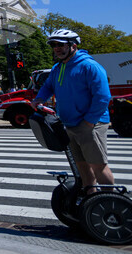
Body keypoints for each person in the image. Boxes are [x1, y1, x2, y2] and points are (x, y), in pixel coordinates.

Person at [33, 28, 114, 190]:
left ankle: (110, 201)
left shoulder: (89, 66)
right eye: (54, 45)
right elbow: (48, 86)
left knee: (98, 165)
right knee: (81, 165)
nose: (57, 48)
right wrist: (39, 99)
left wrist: (89, 122)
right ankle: (90, 198)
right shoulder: (58, 68)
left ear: (73, 46)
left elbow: (103, 97)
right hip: (69, 124)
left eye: (61, 44)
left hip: (91, 124)